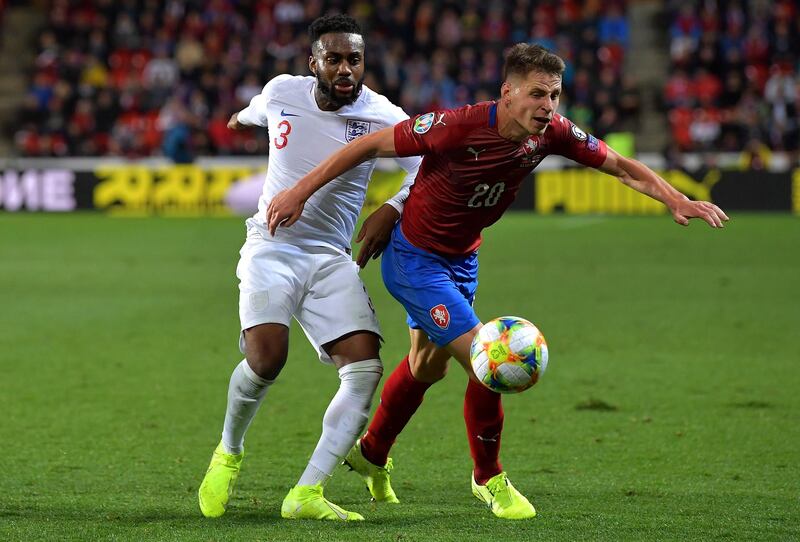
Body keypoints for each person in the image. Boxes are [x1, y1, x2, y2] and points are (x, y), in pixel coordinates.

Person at [266, 43, 729, 520]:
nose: (547, 106)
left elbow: (618, 164)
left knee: (428, 366)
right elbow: (367, 145)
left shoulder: (551, 133)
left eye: (554, 95)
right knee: (491, 357)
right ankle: (488, 478)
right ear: (508, 93)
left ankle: (372, 452)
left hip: (463, 260)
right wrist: (299, 191)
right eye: (537, 94)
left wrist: (675, 199)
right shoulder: (458, 126)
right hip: (414, 261)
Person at [197, 14, 420, 521]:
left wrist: (393, 207)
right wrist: (238, 119)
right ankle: (228, 451)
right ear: (313, 62)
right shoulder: (282, 92)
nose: (346, 69)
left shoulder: (382, 115)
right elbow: (253, 113)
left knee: (364, 369)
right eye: (335, 58)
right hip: (270, 246)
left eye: (355, 59)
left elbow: (425, 165)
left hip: (330, 257)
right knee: (267, 358)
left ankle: (307, 493)